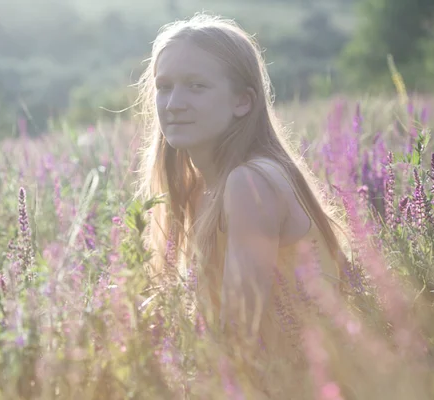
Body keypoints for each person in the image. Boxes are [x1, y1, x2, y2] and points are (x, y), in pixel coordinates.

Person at [133, 13, 352, 398]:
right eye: (163, 86)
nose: (174, 103)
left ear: (242, 102)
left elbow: (238, 335)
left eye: (196, 86)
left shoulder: (251, 182)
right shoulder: (202, 190)